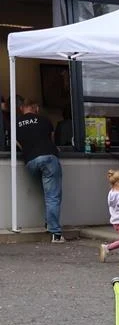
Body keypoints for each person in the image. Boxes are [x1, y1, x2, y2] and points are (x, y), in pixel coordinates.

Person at [16, 100, 63, 242]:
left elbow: (18, 144)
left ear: (22, 109)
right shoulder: (44, 120)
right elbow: (52, 140)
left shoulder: (16, 123)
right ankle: (55, 233)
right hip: (48, 158)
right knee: (52, 195)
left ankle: (49, 223)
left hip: (31, 161)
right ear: (35, 108)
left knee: (49, 193)